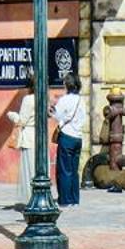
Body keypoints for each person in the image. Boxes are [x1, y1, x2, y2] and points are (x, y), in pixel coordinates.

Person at [52, 75, 86, 207]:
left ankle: (65, 200)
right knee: (74, 170)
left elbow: (57, 115)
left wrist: (52, 109)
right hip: (78, 136)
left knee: (64, 169)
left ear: (67, 85)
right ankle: (74, 199)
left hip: (67, 136)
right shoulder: (81, 100)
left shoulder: (64, 100)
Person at [14, 89, 37, 203]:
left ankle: (30, 199)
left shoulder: (28, 99)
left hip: (29, 137)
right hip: (40, 136)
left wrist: (12, 116)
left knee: (29, 171)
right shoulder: (44, 98)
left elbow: (22, 120)